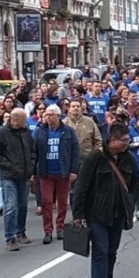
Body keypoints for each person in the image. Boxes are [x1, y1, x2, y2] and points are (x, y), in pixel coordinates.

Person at [72, 123, 138, 278]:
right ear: (112, 140)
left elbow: (135, 182)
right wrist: (78, 214)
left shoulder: (128, 159)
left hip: (118, 214)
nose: (127, 143)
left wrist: (130, 201)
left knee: (111, 250)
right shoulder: (95, 158)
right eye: (124, 140)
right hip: (97, 214)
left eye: (128, 140)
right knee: (100, 250)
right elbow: (81, 187)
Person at [0, 108, 37, 251]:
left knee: (23, 205)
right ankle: (9, 238)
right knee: (11, 206)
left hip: (24, 175)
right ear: (15, 119)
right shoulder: (2, 133)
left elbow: (32, 150)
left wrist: (31, 165)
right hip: (9, 176)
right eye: (24, 120)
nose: (26, 123)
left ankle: (20, 232)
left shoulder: (26, 132)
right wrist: (9, 166)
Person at [34, 104, 81, 244]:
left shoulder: (68, 131)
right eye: (46, 115)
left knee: (62, 202)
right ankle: (48, 230)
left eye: (51, 115)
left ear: (58, 116)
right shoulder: (39, 132)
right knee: (47, 202)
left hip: (63, 172)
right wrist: (32, 172)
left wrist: (73, 170)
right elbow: (34, 152)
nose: (48, 117)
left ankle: (60, 227)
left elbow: (75, 152)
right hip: (46, 172)